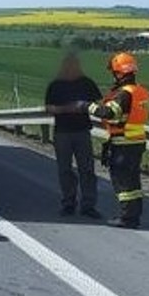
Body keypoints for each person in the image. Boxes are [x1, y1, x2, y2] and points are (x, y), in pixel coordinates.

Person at [87, 52, 149, 228]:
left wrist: (89, 106)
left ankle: (127, 218)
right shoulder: (140, 91)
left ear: (119, 73)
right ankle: (134, 215)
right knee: (133, 182)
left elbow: (109, 113)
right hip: (137, 141)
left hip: (123, 144)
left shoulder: (124, 94)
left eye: (114, 72)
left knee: (123, 183)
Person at [45, 53, 103, 218]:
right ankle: (68, 202)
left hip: (82, 131)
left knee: (87, 169)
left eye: (75, 65)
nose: (72, 68)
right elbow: (48, 108)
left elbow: (99, 103)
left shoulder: (87, 83)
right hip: (62, 132)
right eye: (69, 65)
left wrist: (85, 106)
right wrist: (66, 109)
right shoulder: (56, 85)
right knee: (65, 170)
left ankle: (88, 205)